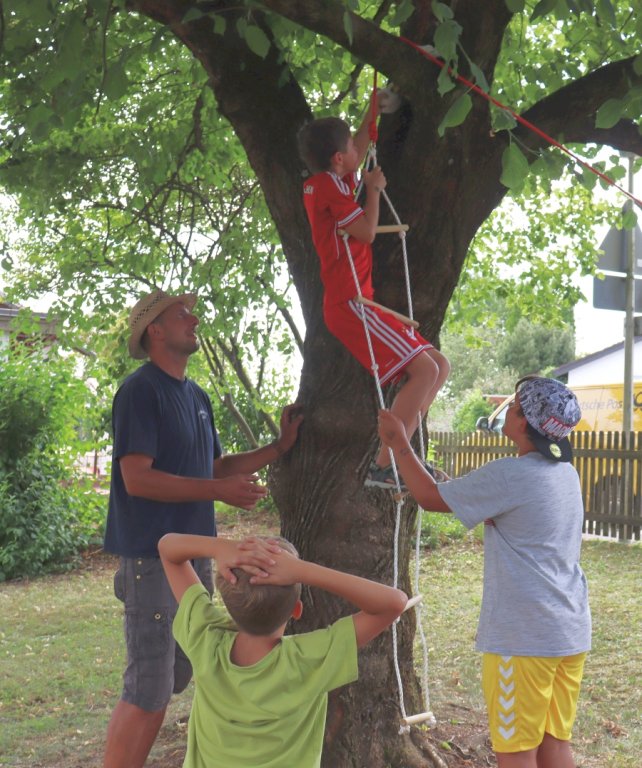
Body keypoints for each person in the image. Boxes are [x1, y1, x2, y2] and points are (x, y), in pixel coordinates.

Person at [102, 289, 303, 768]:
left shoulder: (195, 395)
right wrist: (217, 492)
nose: (193, 320)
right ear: (154, 330)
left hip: (191, 560)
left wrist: (278, 447)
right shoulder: (140, 391)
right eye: (182, 314)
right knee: (149, 686)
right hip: (152, 559)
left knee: (177, 673)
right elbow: (137, 477)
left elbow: (214, 466)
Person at [378, 375, 591, 768]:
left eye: (512, 407)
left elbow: (427, 498)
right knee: (554, 746)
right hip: (568, 632)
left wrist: (398, 442)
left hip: (523, 641)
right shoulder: (566, 475)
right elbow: (516, 516)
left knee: (516, 753)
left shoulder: (511, 474)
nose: (507, 412)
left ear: (524, 423)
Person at [158, 530, 407, 768]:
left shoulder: (205, 638)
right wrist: (302, 570)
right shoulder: (308, 659)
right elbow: (394, 603)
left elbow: (168, 548)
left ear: (227, 601)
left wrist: (221, 547)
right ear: (296, 610)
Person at [297, 111, 449, 489]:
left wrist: (374, 108)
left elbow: (361, 144)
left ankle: (398, 458)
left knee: (439, 366)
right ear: (338, 158)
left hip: (357, 300)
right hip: (350, 303)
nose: (357, 148)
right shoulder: (331, 188)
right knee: (426, 371)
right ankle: (386, 464)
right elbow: (365, 232)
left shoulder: (330, 180)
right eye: (349, 146)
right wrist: (375, 190)